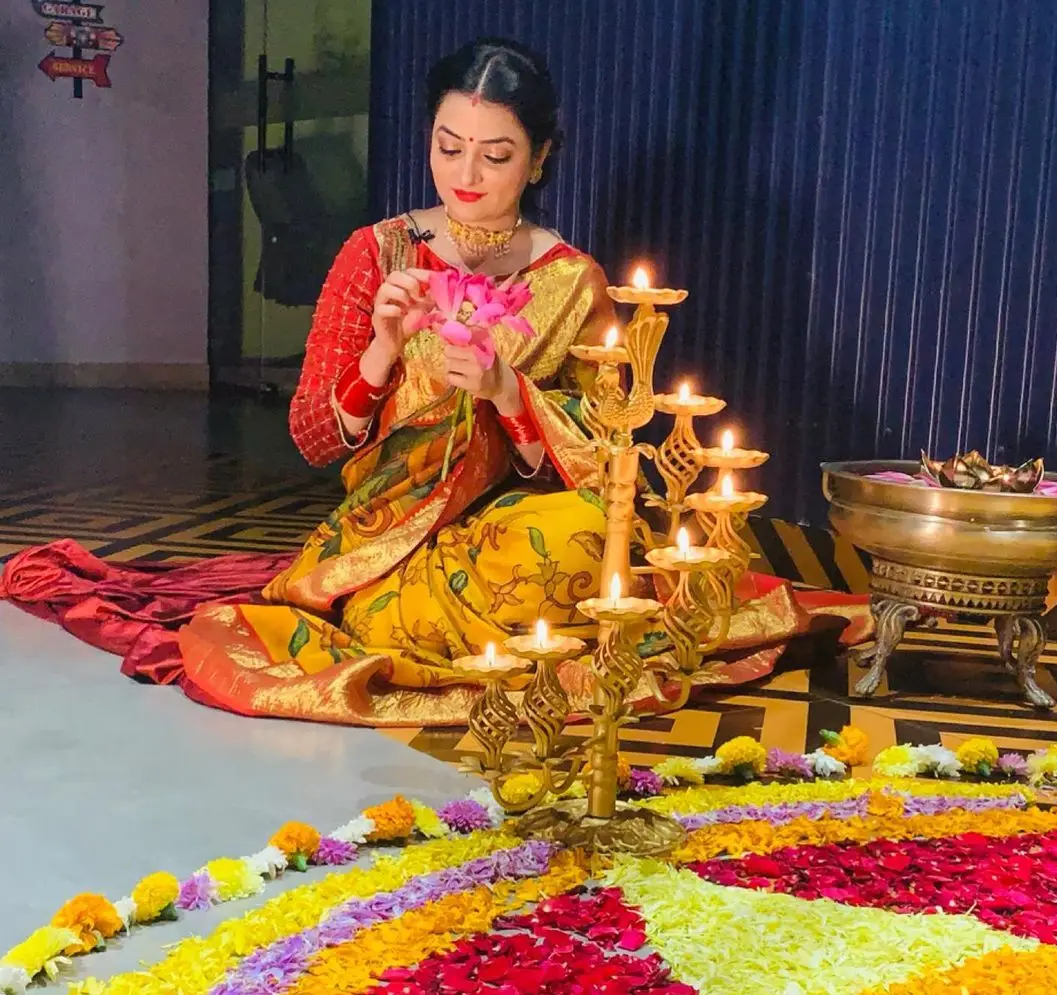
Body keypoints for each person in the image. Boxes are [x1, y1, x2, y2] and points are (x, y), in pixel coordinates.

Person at [1, 39, 868, 727]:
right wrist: (381, 348)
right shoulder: (377, 254)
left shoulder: (572, 280)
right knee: (424, 608)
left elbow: (607, 462)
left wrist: (506, 393)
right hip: (387, 528)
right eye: (449, 147)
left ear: (539, 159)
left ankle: (486, 633)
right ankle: (433, 627)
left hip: (510, 524)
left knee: (580, 545)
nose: (467, 174)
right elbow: (312, 438)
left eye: (496, 155)